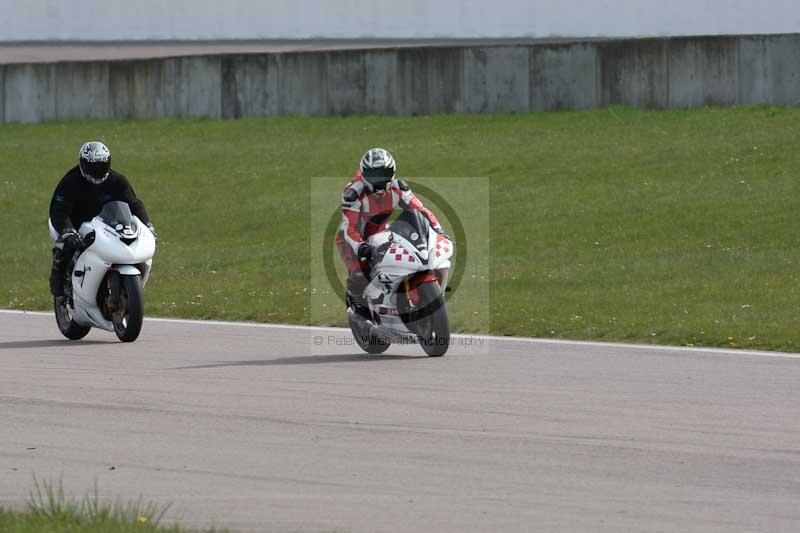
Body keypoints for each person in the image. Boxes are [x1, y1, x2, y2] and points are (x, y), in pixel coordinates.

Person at [336, 148, 445, 311]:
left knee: (410, 257)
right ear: (365, 175)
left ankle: (406, 297)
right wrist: (361, 246)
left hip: (380, 234)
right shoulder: (353, 193)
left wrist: (437, 230)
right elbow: (349, 228)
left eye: (383, 174)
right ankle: (357, 309)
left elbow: (421, 211)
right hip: (352, 240)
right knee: (359, 274)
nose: (379, 180)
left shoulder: (399, 188)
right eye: (374, 175)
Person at [48, 141, 156, 297]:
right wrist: (68, 231)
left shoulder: (118, 181)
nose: (97, 171)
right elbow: (58, 210)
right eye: (92, 167)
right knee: (68, 247)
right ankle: (58, 278)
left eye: (101, 166)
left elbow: (134, 205)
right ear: (83, 164)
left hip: (106, 224)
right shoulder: (70, 182)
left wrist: (148, 225)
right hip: (75, 223)